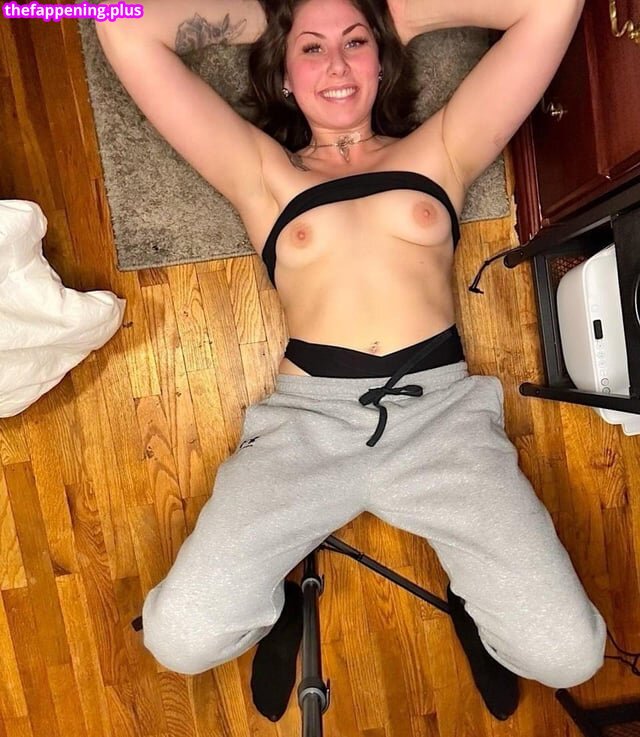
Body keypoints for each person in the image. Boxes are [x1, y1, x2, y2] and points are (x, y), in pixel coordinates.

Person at [96, 0, 607, 723]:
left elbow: (552, 6)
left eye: (355, 43)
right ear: (283, 75)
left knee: (571, 656)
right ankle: (275, 605)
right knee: (179, 640)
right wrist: (283, 19)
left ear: (383, 57)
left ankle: (474, 601)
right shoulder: (261, 173)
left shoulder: (442, 150)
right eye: (312, 50)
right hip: (308, 427)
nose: (336, 64)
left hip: (440, 424)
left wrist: (386, 14)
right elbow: (119, 21)